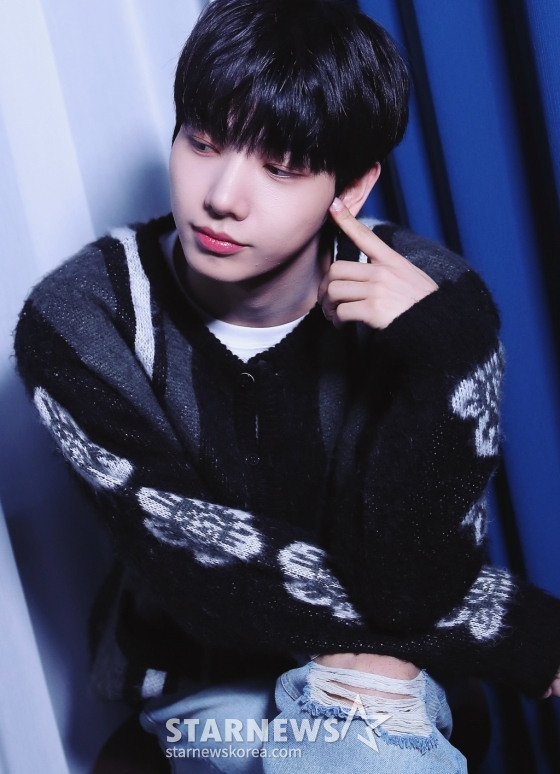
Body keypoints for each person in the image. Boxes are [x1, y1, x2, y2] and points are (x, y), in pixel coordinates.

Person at [14, 0, 560, 771]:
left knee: (367, 696)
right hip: (206, 694)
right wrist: (508, 626)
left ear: (352, 187)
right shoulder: (82, 318)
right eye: (202, 142)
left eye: (280, 168)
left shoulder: (439, 307)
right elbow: (205, 571)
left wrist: (445, 355)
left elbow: (411, 587)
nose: (223, 196)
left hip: (395, 684)